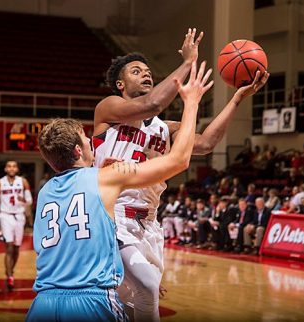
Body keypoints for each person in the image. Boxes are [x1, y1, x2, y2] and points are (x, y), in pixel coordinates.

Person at [92, 29, 269, 321]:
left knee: (132, 306)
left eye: (148, 71)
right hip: (113, 216)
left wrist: (237, 98)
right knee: (147, 290)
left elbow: (208, 143)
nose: (146, 75)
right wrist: (188, 63)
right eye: (137, 72)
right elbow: (152, 104)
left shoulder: (166, 128)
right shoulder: (109, 108)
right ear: (120, 84)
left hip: (149, 224)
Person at [26, 61, 211, 322]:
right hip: (90, 301)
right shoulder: (105, 179)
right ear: (79, 150)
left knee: (143, 289)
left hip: (43, 302)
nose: (92, 141)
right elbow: (179, 160)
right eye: (86, 139)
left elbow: (90, 239)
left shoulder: (45, 192)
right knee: (144, 293)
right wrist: (191, 102)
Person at [0, 161, 32, 291]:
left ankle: (10, 270)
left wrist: (23, 200)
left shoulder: (23, 182)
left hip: (19, 216)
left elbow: (29, 201)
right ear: (5, 169)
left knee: (17, 248)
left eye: (14, 166)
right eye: (9, 166)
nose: (12, 168)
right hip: (5, 215)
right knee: (9, 247)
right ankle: (10, 276)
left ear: (17, 169)